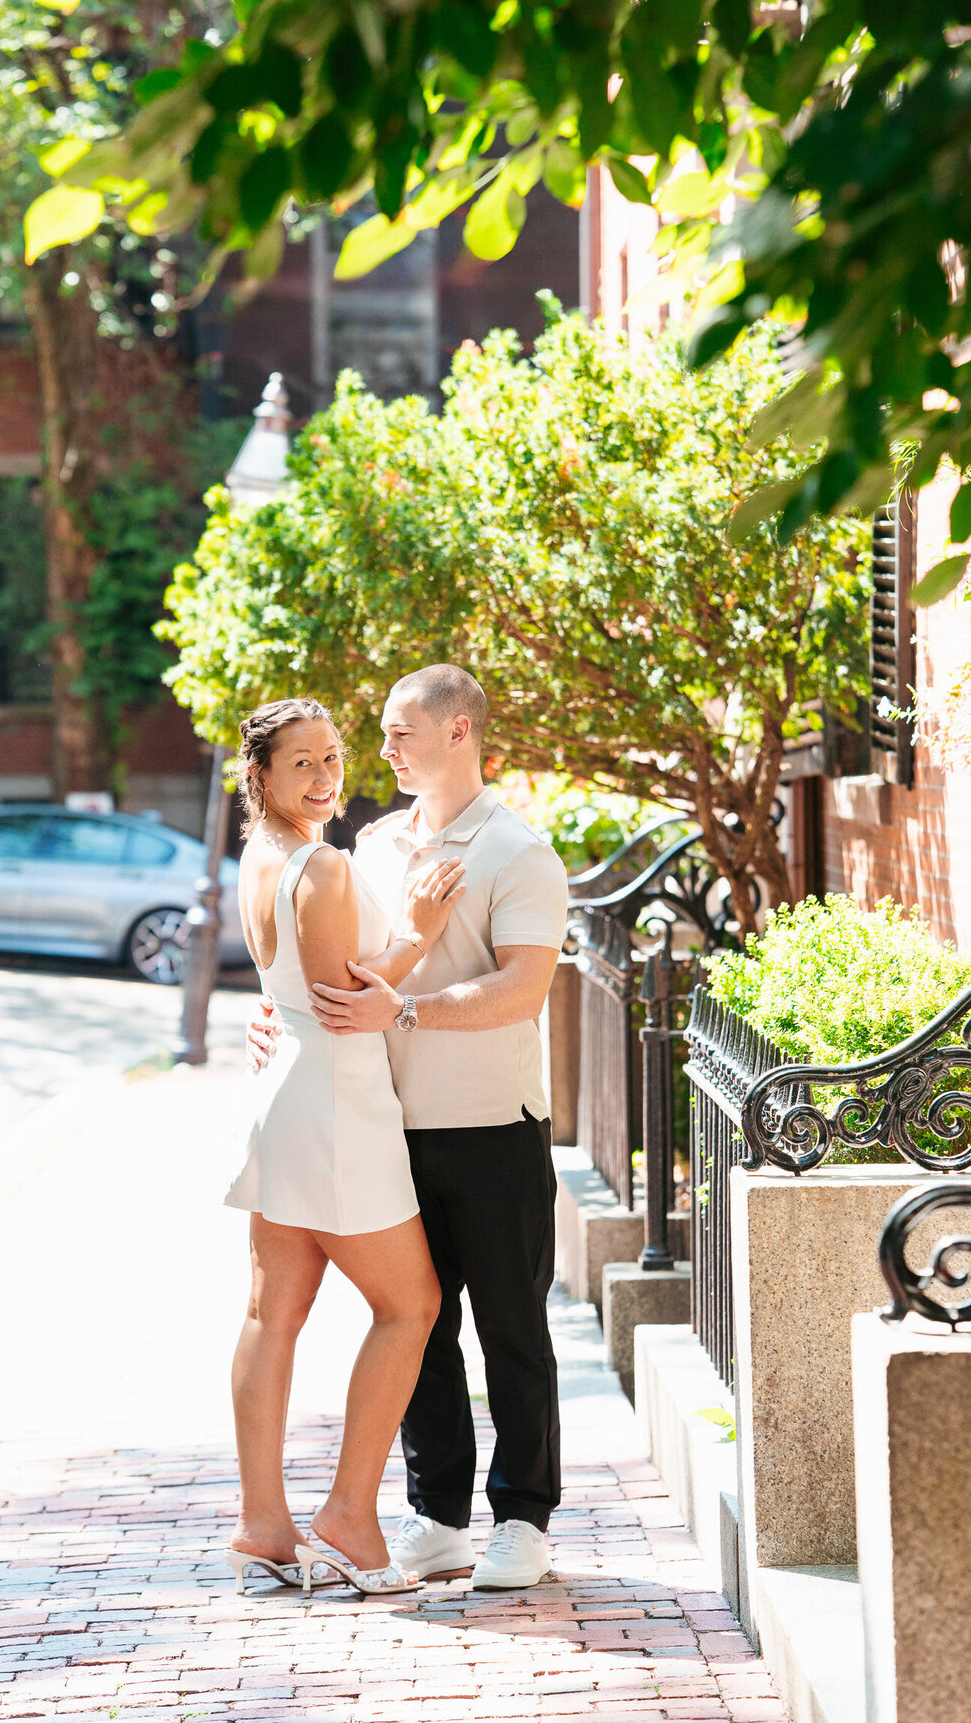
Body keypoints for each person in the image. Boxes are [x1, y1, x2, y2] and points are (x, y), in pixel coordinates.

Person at [249, 665, 570, 1591]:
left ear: (459, 732)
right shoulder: (377, 842)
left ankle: (523, 1518)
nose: (383, 748)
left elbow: (524, 987)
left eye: (401, 732)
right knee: (418, 1328)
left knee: (512, 1328)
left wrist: (409, 1013)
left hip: (490, 1127)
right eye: (381, 733)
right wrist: (273, 1013)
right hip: (386, 1127)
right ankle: (439, 1515)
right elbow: (331, 966)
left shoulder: (517, 852)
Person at [224, 696, 466, 1597]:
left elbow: (289, 986)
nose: (326, 779)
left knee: (270, 1315)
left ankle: (262, 1526)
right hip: (332, 1098)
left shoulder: (261, 854)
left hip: (285, 1090)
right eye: (302, 765)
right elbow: (342, 997)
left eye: (333, 758)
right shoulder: (319, 866)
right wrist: (415, 938)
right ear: (262, 776)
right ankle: (349, 1520)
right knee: (412, 1304)